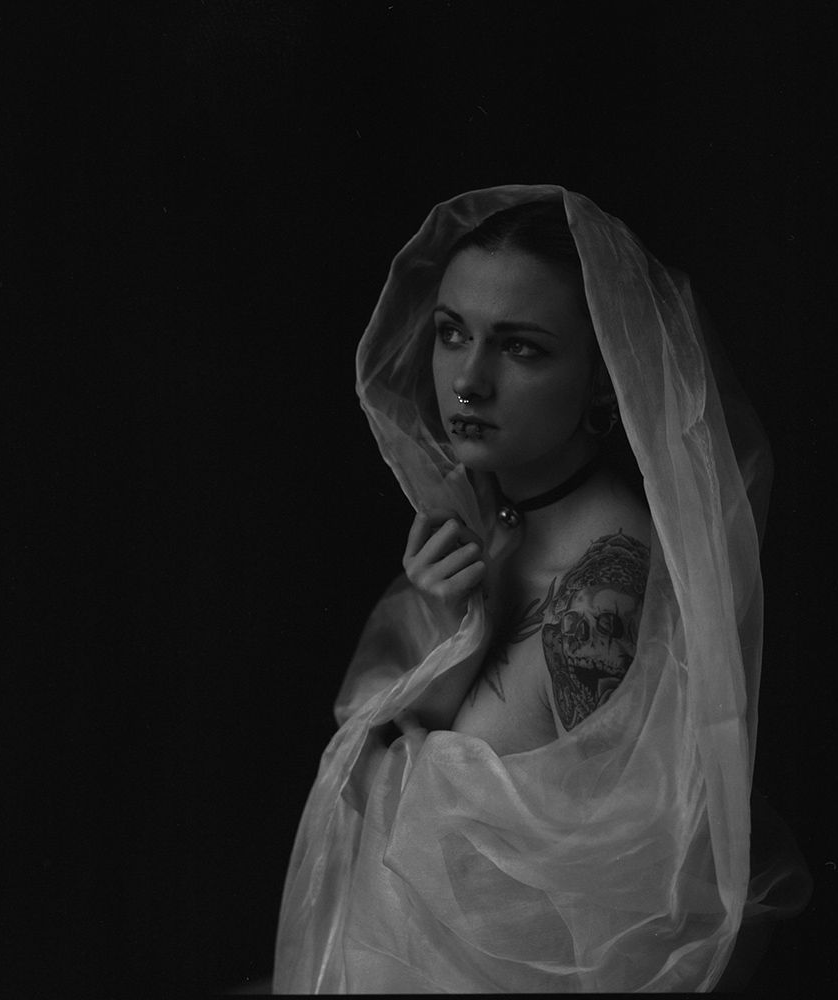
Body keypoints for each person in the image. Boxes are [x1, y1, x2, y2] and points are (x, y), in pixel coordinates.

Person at [272, 186, 810, 993]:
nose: (468, 380)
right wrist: (457, 623)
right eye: (452, 334)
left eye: (520, 348)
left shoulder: (604, 593)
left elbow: (617, 923)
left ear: (602, 380)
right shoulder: (482, 532)